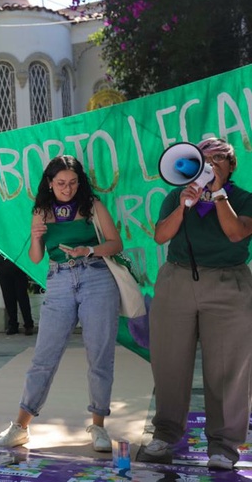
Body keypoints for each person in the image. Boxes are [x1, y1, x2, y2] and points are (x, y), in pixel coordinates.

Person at [0, 155, 122, 452]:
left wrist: (88, 250)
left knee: (100, 356)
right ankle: (20, 427)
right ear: (49, 183)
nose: (67, 188)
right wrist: (37, 237)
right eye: (61, 183)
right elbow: (36, 258)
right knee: (43, 357)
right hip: (59, 279)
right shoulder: (41, 210)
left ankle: (98, 426)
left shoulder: (92, 205)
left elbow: (116, 244)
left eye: (73, 182)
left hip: (97, 277)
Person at [139, 138, 252, 471]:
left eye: (218, 158)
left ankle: (224, 445)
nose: (210, 164)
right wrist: (183, 205)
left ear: (231, 165)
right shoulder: (177, 195)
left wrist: (217, 194)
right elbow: (161, 235)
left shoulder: (243, 198)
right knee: (169, 362)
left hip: (228, 284)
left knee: (228, 368)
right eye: (204, 158)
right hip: (177, 279)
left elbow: (236, 233)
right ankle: (165, 434)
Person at [0, 243, 34, 335]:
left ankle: (28, 325)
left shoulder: (15, 235)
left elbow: (25, 248)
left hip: (19, 271)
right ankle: (13, 325)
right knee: (8, 299)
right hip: (3, 272)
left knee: (22, 298)